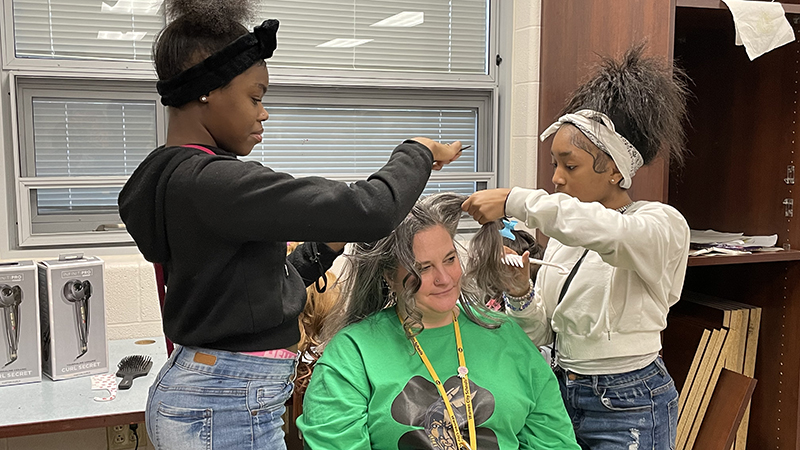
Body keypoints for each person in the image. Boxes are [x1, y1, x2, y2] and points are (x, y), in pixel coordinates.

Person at [117, 0, 463, 448]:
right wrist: (416, 151)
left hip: (219, 393)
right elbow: (371, 209)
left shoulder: (175, 179)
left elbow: (250, 291)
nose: (264, 113)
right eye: (255, 97)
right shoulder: (213, 183)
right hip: (224, 402)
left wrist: (327, 246)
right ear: (207, 89)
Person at [461, 45, 691, 450]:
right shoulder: (568, 242)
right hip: (564, 391)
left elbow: (612, 234)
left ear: (616, 169)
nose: (557, 179)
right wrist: (521, 294)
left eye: (570, 165)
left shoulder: (662, 226)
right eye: (554, 164)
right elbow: (544, 331)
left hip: (630, 402)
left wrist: (516, 199)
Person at [297, 193, 581, 450]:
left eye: (449, 259)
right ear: (388, 277)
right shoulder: (353, 353)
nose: (444, 278)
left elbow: (554, 441)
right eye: (423, 268)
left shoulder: (504, 334)